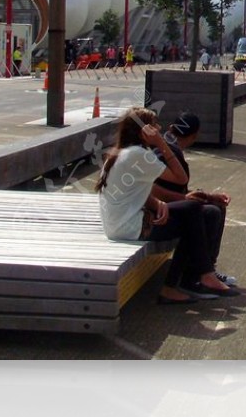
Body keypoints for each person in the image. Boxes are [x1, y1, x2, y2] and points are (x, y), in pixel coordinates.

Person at [95, 107, 237, 304]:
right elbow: (181, 178)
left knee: (194, 212)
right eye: (154, 125)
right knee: (195, 217)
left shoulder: (123, 153)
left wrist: (157, 202)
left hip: (123, 224)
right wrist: (160, 143)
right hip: (130, 228)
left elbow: (140, 189)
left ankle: (196, 277)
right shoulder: (137, 154)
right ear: (143, 131)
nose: (159, 128)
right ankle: (191, 279)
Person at [151, 112, 237, 292]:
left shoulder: (168, 149)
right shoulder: (165, 152)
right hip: (156, 210)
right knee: (209, 213)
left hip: (164, 205)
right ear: (193, 136)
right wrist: (187, 199)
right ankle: (194, 277)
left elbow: (176, 190)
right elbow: (154, 189)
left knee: (215, 206)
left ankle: (207, 270)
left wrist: (207, 196)